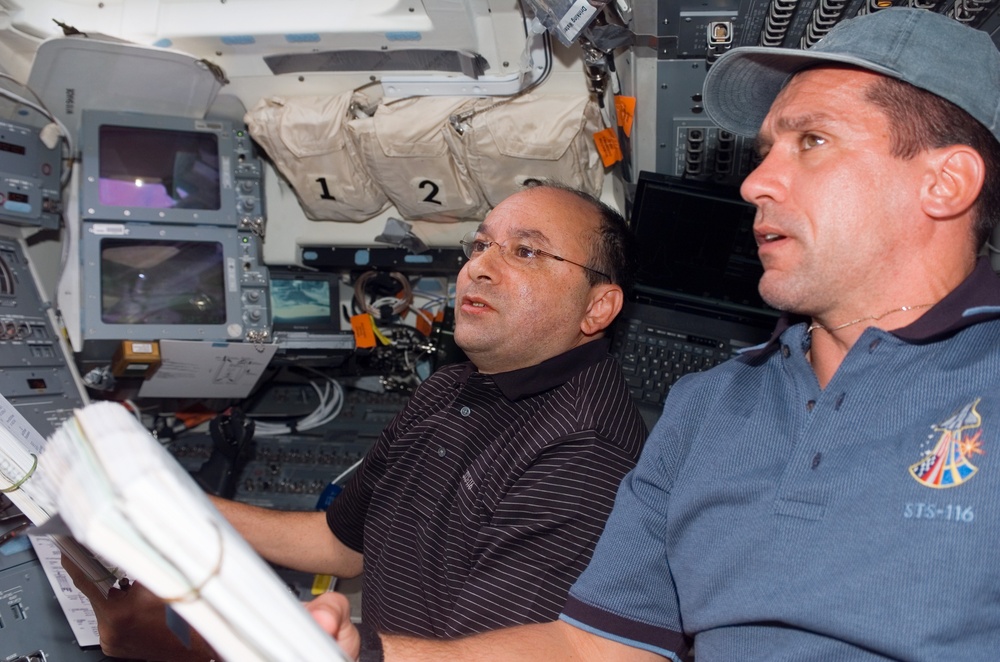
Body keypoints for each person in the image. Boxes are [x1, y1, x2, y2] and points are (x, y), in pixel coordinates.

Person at [306, 8, 1000, 661]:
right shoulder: (707, 409)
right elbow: (595, 646)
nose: (756, 181)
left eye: (811, 141)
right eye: (764, 151)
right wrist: (367, 652)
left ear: (946, 182)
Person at [64, 182, 648, 659]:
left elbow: (472, 653)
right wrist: (171, 505)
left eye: (525, 251)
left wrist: (168, 648)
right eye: (479, 245)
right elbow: (343, 544)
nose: (480, 269)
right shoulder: (450, 388)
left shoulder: (586, 448)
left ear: (598, 307)